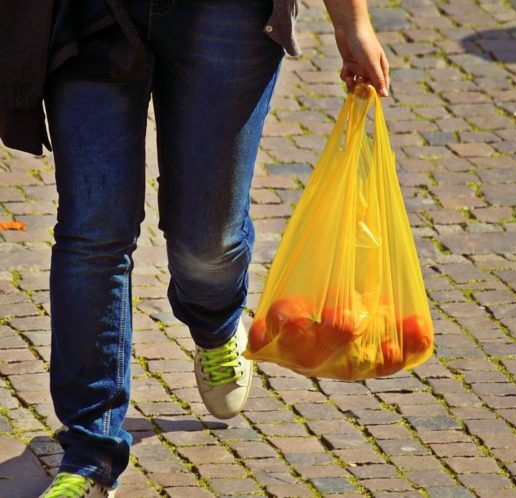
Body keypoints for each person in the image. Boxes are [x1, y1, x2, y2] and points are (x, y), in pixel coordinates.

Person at [12, 0, 389, 496]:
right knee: (92, 229)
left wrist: (352, 20)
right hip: (90, 11)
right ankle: (89, 452)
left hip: (226, 14)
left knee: (206, 243)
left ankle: (213, 322)